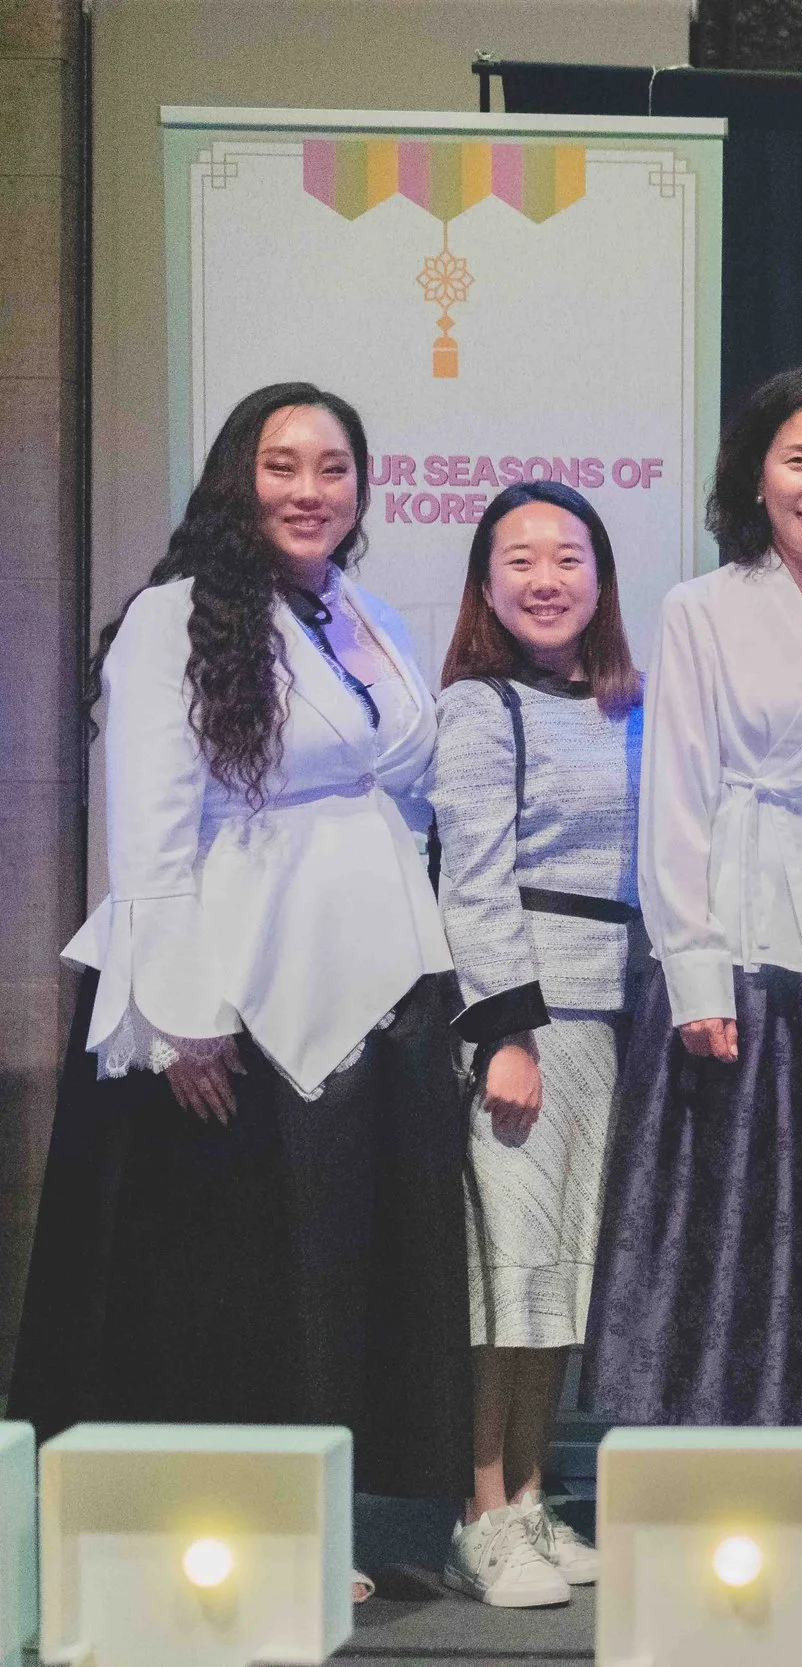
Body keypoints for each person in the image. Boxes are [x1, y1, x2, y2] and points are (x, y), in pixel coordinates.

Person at [9, 382, 468, 1597]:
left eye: (333, 468)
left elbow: (404, 795)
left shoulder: (367, 614)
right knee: (227, 1275)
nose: (310, 491)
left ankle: (331, 1526)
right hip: (233, 987)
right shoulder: (176, 615)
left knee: (334, 1268)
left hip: (377, 974)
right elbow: (151, 822)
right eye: (283, 465)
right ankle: (230, 1531)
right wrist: (183, 1009)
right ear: (235, 476)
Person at [586, 365, 802, 1427]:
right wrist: (691, 968)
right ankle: (725, 1458)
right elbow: (678, 790)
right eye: (798, 459)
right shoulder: (701, 606)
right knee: (740, 1219)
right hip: (745, 946)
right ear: (756, 474)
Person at [433, 480, 643, 1607]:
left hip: (610, 1018)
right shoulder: (479, 707)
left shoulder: (630, 704)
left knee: (560, 1273)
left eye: (568, 556)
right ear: (484, 584)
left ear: (603, 578)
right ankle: (479, 1511)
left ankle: (528, 1492)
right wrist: (506, 1029)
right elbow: (471, 876)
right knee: (505, 1273)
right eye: (519, 559)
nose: (546, 576)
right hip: (522, 1019)